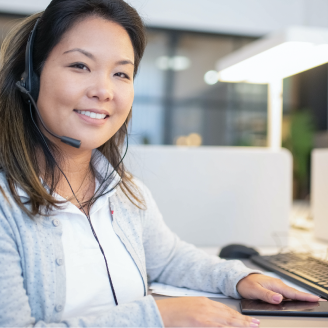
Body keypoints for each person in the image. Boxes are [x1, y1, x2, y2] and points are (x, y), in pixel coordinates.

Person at [0, 0, 324, 327]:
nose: (104, 90)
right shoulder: (5, 205)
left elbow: (168, 258)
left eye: (121, 73)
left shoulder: (122, 190)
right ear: (31, 77)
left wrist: (237, 278)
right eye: (80, 66)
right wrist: (155, 317)